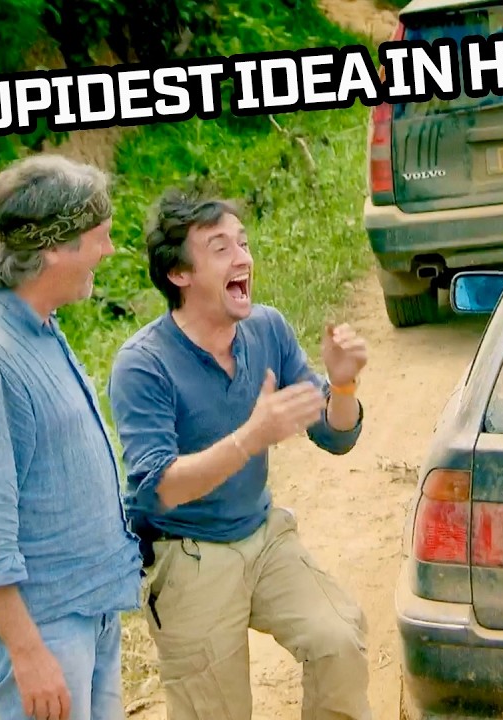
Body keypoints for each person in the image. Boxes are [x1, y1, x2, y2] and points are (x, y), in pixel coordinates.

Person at [106, 189, 372, 720]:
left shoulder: (266, 328)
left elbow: (336, 435)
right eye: (220, 248)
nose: (242, 258)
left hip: (263, 534)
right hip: (189, 555)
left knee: (339, 640)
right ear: (179, 273)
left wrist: (342, 385)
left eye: (243, 243)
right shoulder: (143, 365)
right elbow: (160, 488)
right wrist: (251, 437)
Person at [0, 154, 143, 720]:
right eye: (100, 237)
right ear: (54, 247)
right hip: (44, 631)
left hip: (83, 612)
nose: (109, 250)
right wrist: (27, 652)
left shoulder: (35, 322)